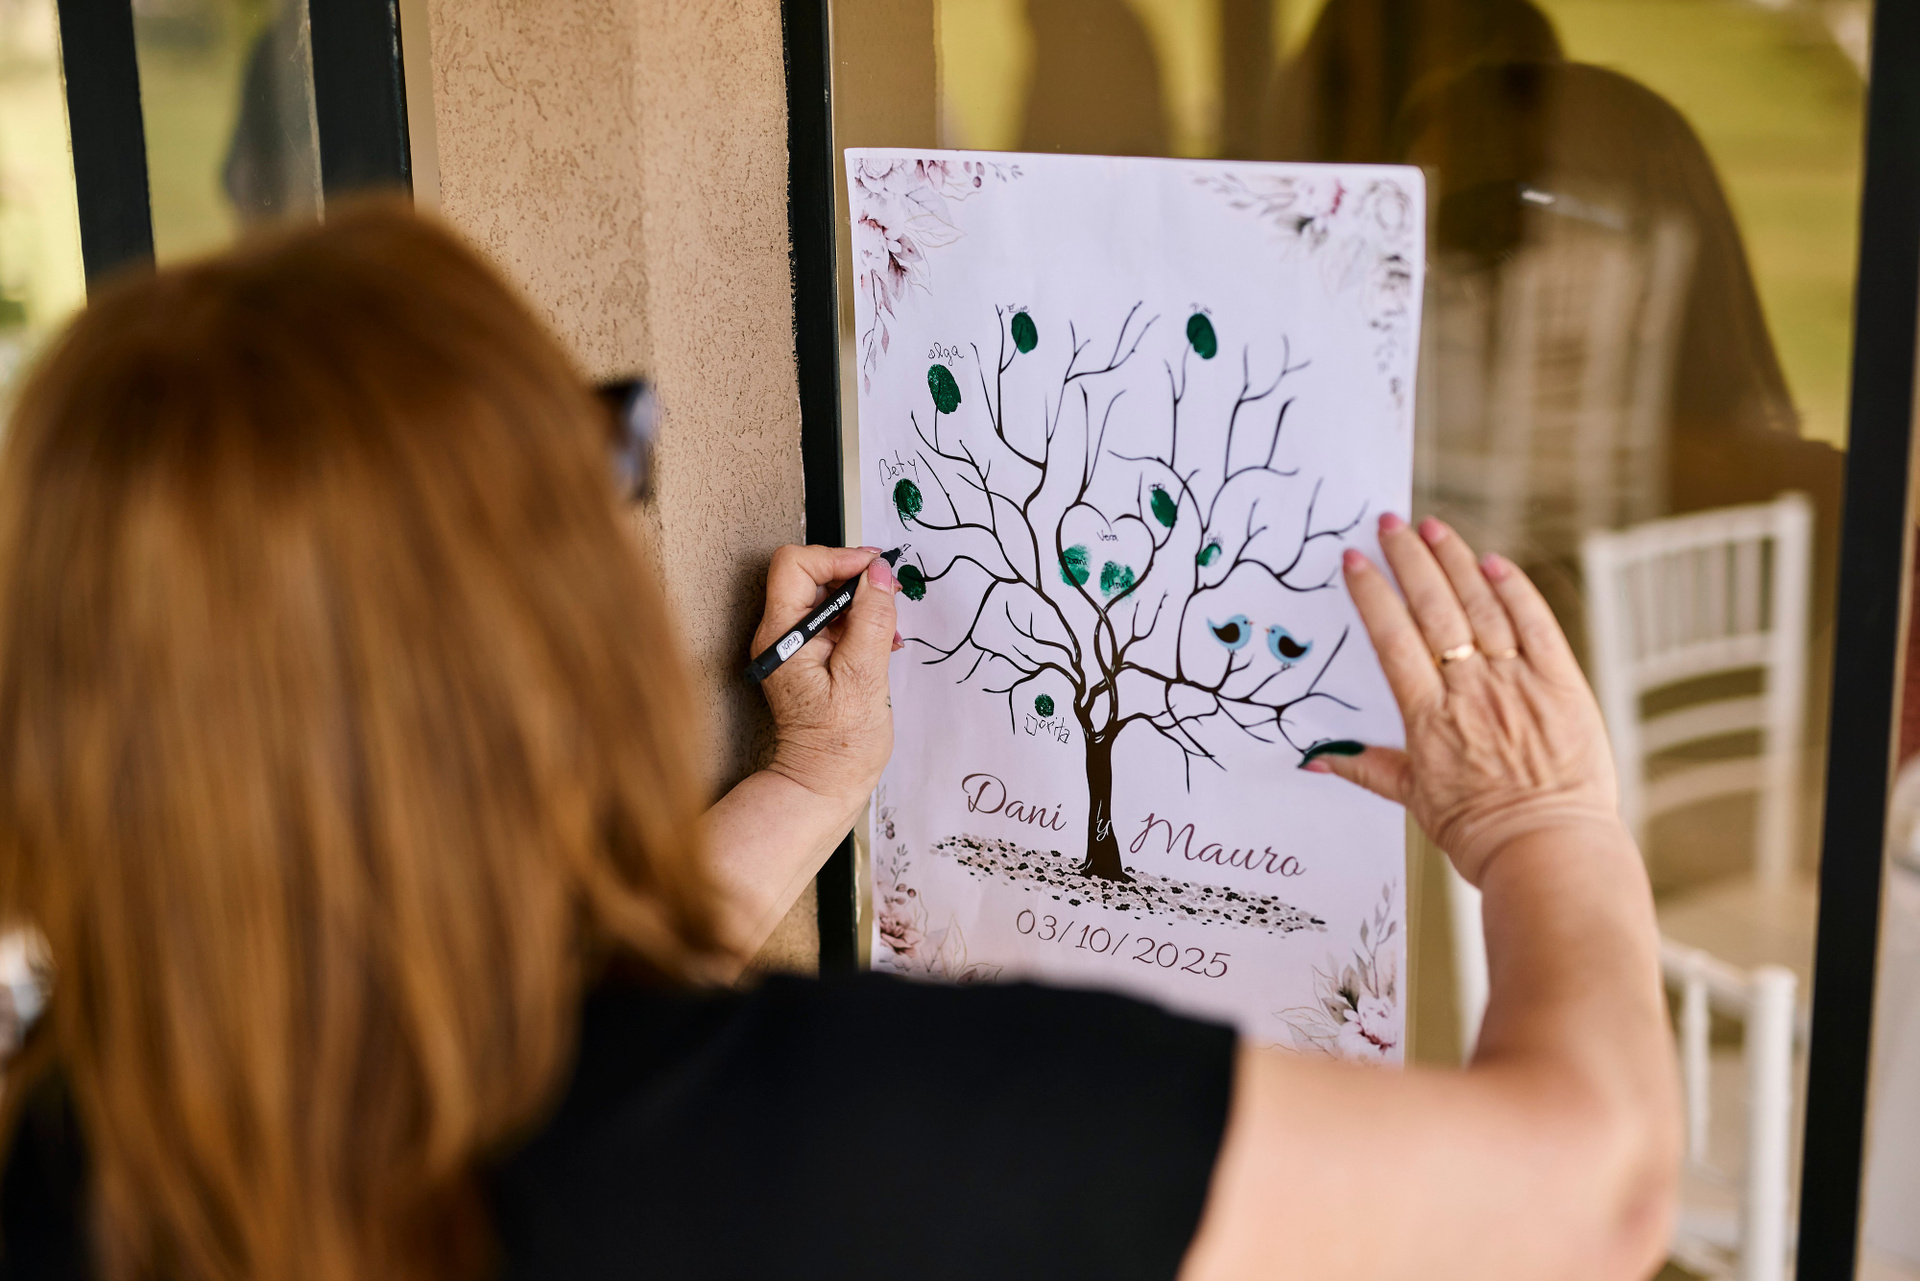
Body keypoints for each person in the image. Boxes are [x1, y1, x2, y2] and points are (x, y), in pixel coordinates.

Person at [0, 207, 1677, 1281]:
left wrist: (807, 786)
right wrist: (1545, 824)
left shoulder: (86, 1139)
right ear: (526, 632)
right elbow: (1586, 1197)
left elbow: (516, 1054)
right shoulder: (855, 1132)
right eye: (606, 455)